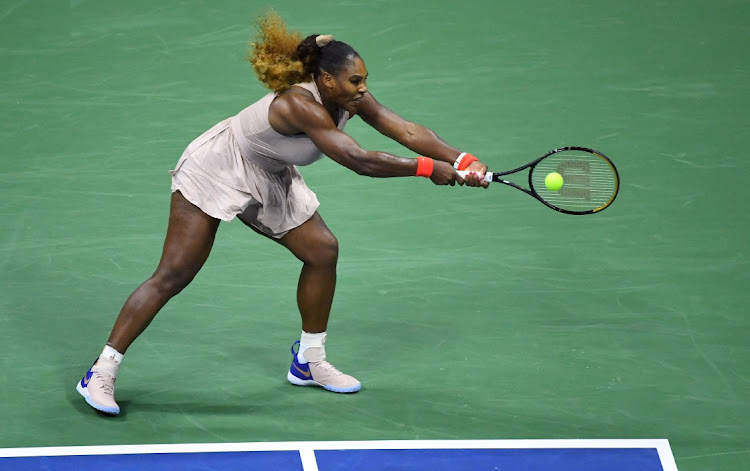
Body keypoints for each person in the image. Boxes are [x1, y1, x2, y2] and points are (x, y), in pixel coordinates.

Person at [76, 12, 488, 416]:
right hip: (218, 167)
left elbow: (407, 131)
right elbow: (358, 160)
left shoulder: (351, 97)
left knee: (322, 251)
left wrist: (461, 158)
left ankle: (309, 359)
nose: (363, 89)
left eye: (364, 80)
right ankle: (101, 371)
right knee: (175, 273)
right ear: (326, 80)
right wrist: (428, 169)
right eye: (355, 80)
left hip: (269, 171)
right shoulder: (300, 104)